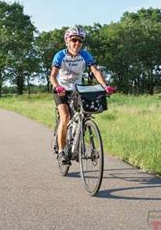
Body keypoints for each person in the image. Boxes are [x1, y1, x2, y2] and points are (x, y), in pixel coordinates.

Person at [50, 26, 116, 164]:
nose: (77, 43)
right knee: (65, 116)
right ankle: (62, 152)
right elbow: (53, 76)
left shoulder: (85, 55)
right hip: (61, 90)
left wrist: (105, 86)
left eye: (80, 41)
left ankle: (76, 142)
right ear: (67, 41)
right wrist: (58, 87)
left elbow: (96, 71)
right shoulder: (60, 55)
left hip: (78, 90)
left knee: (84, 115)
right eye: (74, 40)